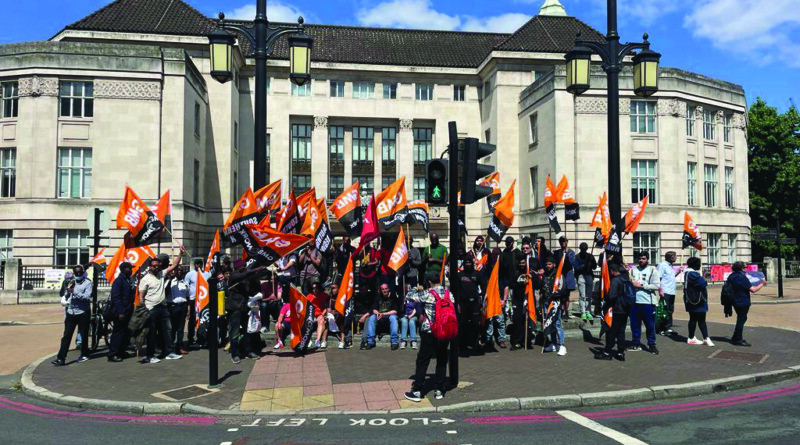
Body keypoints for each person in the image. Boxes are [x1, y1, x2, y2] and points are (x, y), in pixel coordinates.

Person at [404, 273, 453, 402]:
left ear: (430, 282)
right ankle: (439, 389)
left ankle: (417, 391)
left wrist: (417, 288)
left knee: (423, 361)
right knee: (442, 360)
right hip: (444, 331)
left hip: (429, 331)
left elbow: (409, 296)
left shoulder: (427, 293)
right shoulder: (448, 293)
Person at [139, 248, 185, 363]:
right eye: (153, 266)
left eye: (157, 265)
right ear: (150, 267)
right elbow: (141, 296)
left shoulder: (161, 274)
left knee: (168, 330)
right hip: (151, 309)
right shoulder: (145, 279)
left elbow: (174, 265)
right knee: (152, 333)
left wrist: (180, 254)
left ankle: (169, 352)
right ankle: (150, 355)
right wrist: (143, 308)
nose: (156, 267)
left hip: (163, 308)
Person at [52, 265, 93, 366]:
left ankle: (84, 353)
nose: (78, 275)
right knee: (66, 336)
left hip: (83, 312)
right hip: (71, 312)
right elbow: (65, 294)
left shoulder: (87, 283)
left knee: (83, 335)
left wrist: (74, 292)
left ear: (83, 273)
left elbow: (87, 297)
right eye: (76, 273)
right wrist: (66, 293)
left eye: (80, 273)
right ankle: (61, 358)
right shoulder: (70, 281)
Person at [225, 261, 263, 363]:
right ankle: (235, 353)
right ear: (237, 268)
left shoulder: (246, 278)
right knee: (234, 332)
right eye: (242, 266)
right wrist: (254, 270)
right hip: (234, 308)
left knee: (248, 331)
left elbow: (253, 287)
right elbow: (241, 275)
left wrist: (256, 275)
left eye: (245, 266)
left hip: (245, 307)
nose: (245, 268)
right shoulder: (234, 276)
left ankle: (248, 351)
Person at [594, 262, 631, 361]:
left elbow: (611, 296)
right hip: (625, 309)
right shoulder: (626, 279)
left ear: (612, 271)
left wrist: (605, 303)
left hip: (616, 309)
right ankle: (620, 352)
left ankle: (607, 352)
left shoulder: (615, 281)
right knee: (621, 332)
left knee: (611, 331)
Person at [628, 252, 661, 355]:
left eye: (643, 259)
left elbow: (656, 285)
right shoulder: (632, 270)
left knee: (650, 325)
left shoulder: (652, 270)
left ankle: (652, 345)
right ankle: (636, 343)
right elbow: (628, 283)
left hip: (648, 303)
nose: (641, 260)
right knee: (635, 325)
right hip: (635, 302)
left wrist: (642, 285)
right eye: (640, 259)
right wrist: (632, 283)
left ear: (647, 260)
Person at [726, 261, 765, 346]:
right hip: (742, 301)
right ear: (741, 268)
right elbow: (753, 290)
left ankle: (735, 337)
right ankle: (738, 339)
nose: (745, 269)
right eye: (744, 267)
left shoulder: (731, 276)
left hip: (734, 300)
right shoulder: (742, 277)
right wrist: (762, 283)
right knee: (741, 319)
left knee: (741, 318)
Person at [107, 262, 135, 362]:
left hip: (128, 310)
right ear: (124, 269)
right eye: (130, 269)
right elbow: (116, 298)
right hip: (120, 312)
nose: (131, 270)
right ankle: (112, 354)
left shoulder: (128, 280)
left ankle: (121, 351)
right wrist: (120, 312)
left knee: (125, 333)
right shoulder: (119, 281)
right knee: (118, 333)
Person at [509, 257, 538, 351]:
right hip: (517, 301)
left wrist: (532, 278)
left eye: (523, 263)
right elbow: (512, 284)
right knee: (517, 322)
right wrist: (523, 284)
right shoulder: (515, 273)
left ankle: (526, 341)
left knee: (527, 321)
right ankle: (516, 342)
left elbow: (537, 285)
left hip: (527, 301)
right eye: (520, 263)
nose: (522, 264)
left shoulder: (529, 273)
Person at [683, 257, 713, 347]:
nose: (700, 265)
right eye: (699, 264)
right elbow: (703, 283)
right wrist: (703, 278)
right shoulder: (693, 274)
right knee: (700, 319)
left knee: (694, 319)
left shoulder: (688, 273)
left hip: (691, 300)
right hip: (697, 300)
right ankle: (704, 338)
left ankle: (693, 337)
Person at [540, 257, 566, 356]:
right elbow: (542, 287)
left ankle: (562, 345)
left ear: (554, 264)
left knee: (557, 323)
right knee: (550, 323)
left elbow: (563, 289)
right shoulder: (545, 275)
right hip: (546, 302)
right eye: (546, 264)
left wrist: (554, 296)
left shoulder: (559, 275)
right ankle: (554, 344)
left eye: (549, 264)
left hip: (555, 302)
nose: (547, 266)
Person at [459, 255, 486, 351]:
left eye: (469, 262)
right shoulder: (460, 275)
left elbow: (484, 286)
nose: (468, 264)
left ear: (472, 263)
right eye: (466, 262)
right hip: (462, 303)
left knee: (475, 323)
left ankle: (473, 343)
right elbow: (456, 290)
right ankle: (462, 344)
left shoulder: (477, 274)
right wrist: (457, 303)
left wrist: (483, 296)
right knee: (463, 323)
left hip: (474, 302)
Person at [363, 283, 400, 350]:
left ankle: (394, 342)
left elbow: (395, 311)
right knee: (372, 318)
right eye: (382, 289)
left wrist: (384, 314)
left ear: (388, 289)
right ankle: (370, 342)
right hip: (379, 317)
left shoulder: (393, 297)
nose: (384, 290)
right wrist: (378, 313)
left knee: (393, 317)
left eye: (385, 288)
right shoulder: (378, 297)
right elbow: (374, 309)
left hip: (388, 317)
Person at [184, 259, 211, 348]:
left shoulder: (207, 274)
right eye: (197, 263)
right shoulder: (189, 274)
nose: (199, 265)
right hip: (193, 300)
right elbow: (186, 287)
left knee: (203, 320)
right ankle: (190, 339)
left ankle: (202, 338)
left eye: (201, 264)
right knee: (192, 320)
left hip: (203, 300)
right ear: (194, 264)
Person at [166, 266, 190, 355]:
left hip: (183, 306)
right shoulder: (170, 282)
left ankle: (180, 346)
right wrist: (170, 279)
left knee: (181, 328)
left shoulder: (185, 283)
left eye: (180, 270)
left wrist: (188, 309)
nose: (179, 271)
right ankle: (171, 347)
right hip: (173, 306)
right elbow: (166, 292)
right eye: (177, 270)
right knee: (172, 328)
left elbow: (187, 296)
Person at [552, 236, 577, 319]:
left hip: (568, 275)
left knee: (566, 295)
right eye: (561, 242)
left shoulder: (571, 252)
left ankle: (565, 311)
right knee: (560, 294)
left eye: (564, 241)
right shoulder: (557, 252)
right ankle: (560, 310)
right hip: (560, 275)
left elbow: (573, 263)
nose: (563, 243)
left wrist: (566, 255)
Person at [657, 251, 678, 336]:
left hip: (671, 291)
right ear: (671, 257)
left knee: (670, 310)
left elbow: (669, 278)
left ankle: (668, 327)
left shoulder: (670, 266)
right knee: (664, 310)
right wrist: (660, 290)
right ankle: (662, 328)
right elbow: (658, 278)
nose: (676, 258)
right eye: (675, 256)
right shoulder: (662, 265)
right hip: (665, 291)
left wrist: (678, 272)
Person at [575, 242, 598, 321]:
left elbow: (594, 267)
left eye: (585, 250)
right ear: (580, 249)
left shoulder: (590, 256)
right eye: (582, 250)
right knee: (582, 295)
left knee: (589, 295)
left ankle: (588, 311)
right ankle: (583, 311)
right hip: (581, 276)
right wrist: (585, 265)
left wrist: (592, 261)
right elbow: (577, 268)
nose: (583, 251)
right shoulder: (577, 257)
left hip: (589, 276)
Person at [307, 281, 330, 348]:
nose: (315, 290)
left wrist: (322, 314)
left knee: (322, 321)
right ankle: (309, 340)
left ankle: (317, 340)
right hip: (311, 314)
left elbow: (326, 307)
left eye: (316, 288)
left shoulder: (324, 295)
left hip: (320, 314)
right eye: (313, 288)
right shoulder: (309, 296)